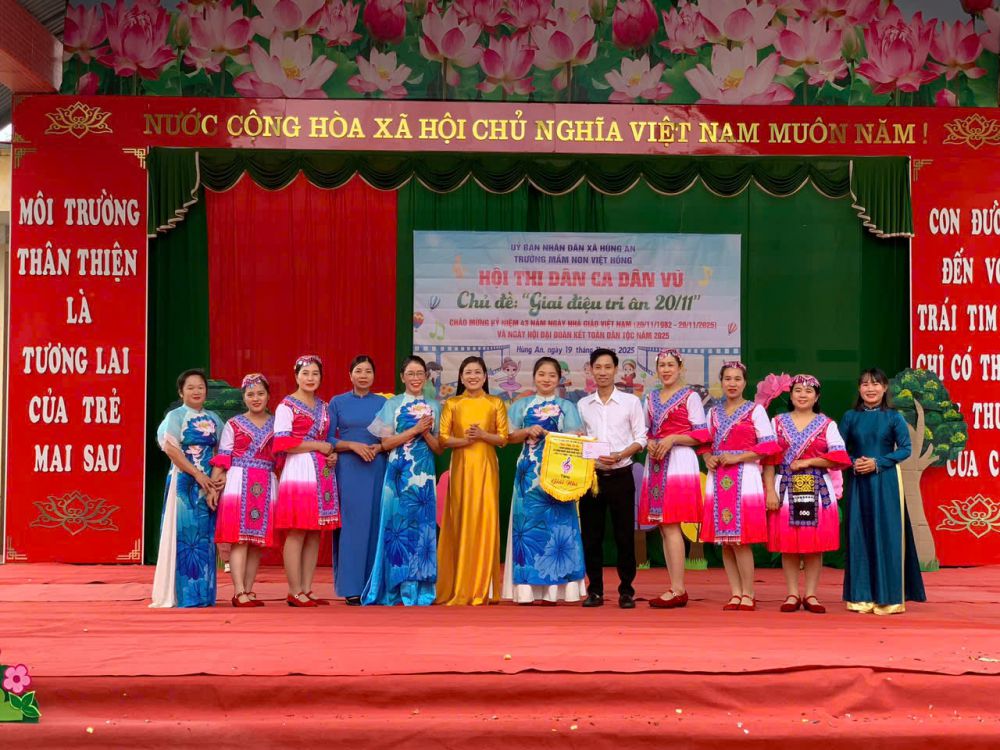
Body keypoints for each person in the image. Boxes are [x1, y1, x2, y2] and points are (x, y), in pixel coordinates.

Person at [763, 375, 851, 614]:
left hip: (817, 488)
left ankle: (811, 594)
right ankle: (792, 593)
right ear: (790, 395)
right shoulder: (777, 423)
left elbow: (840, 457)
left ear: (817, 396)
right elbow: (769, 459)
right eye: (798, 390)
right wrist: (769, 491)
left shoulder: (827, 424)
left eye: (809, 391)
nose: (803, 395)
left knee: (814, 545)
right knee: (788, 544)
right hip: (785, 488)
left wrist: (808, 462)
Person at [840, 368, 926, 615]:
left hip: (886, 481)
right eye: (865, 384)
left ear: (885, 388)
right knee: (859, 533)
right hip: (858, 481)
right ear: (859, 389)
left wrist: (878, 463)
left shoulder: (894, 417)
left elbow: (905, 449)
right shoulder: (849, 417)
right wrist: (854, 463)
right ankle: (861, 596)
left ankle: (889, 598)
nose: (870, 389)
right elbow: (838, 449)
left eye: (876, 384)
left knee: (888, 534)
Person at [501, 357, 586, 605]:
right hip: (528, 473)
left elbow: (576, 437)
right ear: (534, 377)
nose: (546, 379)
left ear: (559, 379)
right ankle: (526, 589)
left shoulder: (567, 406)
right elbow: (508, 436)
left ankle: (556, 590)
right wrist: (527, 431)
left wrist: (554, 435)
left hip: (559, 472)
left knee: (559, 527)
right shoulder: (522, 404)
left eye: (551, 375)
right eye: (541, 374)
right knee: (527, 528)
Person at [362, 356, 441, 606]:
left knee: (423, 530)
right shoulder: (393, 404)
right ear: (402, 377)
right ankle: (394, 587)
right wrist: (414, 430)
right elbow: (386, 443)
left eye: (420, 374)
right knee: (396, 528)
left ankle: (421, 589)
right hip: (398, 473)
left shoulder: (434, 406)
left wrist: (426, 433)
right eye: (411, 373)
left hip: (424, 475)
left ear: (426, 377)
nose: (415, 378)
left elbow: (439, 448)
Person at [701, 362, 779, 612]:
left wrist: (738, 457)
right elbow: (705, 443)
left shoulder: (756, 411)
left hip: (745, 477)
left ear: (745, 383)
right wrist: (708, 458)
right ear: (721, 382)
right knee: (725, 540)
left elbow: (769, 446)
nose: (732, 383)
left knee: (741, 540)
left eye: (737, 379)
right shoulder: (713, 413)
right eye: (727, 379)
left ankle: (749, 592)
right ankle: (735, 592)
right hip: (718, 476)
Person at [577, 348, 648, 609]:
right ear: (591, 370)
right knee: (591, 537)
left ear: (616, 370)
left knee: (624, 536)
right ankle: (594, 590)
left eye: (608, 367)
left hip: (621, 475)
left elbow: (641, 438)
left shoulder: (630, 402)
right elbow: (579, 439)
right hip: (592, 477)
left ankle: (626, 590)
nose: (603, 372)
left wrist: (620, 454)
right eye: (598, 367)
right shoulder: (583, 404)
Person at [638, 349, 709, 609]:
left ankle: (678, 588)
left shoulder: (691, 397)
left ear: (680, 368)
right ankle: (675, 586)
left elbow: (702, 434)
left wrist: (673, 438)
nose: (666, 370)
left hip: (679, 461)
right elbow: (645, 431)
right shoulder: (651, 398)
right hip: (657, 461)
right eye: (662, 366)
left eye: (670, 365)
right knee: (664, 525)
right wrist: (650, 442)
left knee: (671, 523)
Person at [436, 355, 509, 606]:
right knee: (461, 519)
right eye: (468, 372)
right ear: (461, 377)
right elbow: (443, 439)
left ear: (485, 376)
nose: (473, 376)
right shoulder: (452, 403)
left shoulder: (495, 403)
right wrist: (466, 440)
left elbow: (503, 438)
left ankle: (483, 586)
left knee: (485, 520)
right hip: (461, 468)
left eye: (478, 372)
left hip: (487, 468)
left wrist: (483, 435)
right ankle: (459, 584)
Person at [150, 369, 225, 608]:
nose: (196, 391)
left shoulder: (214, 418)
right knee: (184, 535)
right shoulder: (176, 416)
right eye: (190, 387)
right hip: (184, 482)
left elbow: (222, 451)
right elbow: (171, 449)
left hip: (208, 485)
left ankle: (203, 595)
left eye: (200, 387)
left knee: (204, 537)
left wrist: (217, 481)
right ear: (181, 392)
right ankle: (184, 595)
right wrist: (196, 474)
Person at [273, 355, 339, 608]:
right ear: (296, 376)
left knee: (314, 532)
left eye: (315, 374)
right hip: (299, 470)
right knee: (298, 530)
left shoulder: (324, 406)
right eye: (305, 373)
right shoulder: (286, 406)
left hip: (322, 472)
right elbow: (282, 442)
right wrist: (318, 446)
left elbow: (329, 439)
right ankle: (294, 590)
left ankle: (306, 588)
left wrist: (331, 454)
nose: (310, 378)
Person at [210, 373, 279, 608]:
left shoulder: (277, 424)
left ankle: (249, 590)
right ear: (244, 397)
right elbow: (223, 456)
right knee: (239, 540)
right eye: (250, 394)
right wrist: (214, 487)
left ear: (268, 396)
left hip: (266, 481)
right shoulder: (234, 424)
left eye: (260, 393)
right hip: (239, 481)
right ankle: (238, 591)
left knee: (256, 542)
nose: (255, 398)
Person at [328, 356, 388, 605]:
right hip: (348, 469)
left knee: (375, 524)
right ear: (350, 375)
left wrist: (378, 447)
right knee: (351, 526)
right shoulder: (337, 402)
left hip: (376, 467)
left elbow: (391, 437)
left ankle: (372, 585)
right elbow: (328, 438)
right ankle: (351, 587)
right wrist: (352, 445)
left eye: (368, 371)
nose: (363, 375)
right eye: (359, 371)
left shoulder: (384, 403)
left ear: (374, 375)